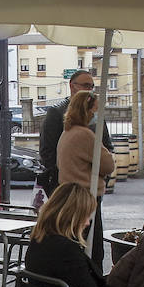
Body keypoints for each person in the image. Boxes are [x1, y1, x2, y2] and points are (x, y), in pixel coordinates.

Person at [54, 90, 114, 270]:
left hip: (69, 195)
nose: (95, 115)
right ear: (86, 111)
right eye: (94, 111)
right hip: (86, 198)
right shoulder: (85, 135)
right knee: (91, 249)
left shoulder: (66, 133)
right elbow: (108, 164)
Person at [35, 70, 96, 198]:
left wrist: (99, 178)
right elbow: (47, 151)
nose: (89, 90)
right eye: (85, 85)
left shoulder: (95, 114)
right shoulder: (57, 112)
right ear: (72, 86)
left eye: (91, 86)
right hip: (64, 188)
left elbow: (106, 145)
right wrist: (63, 176)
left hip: (91, 187)